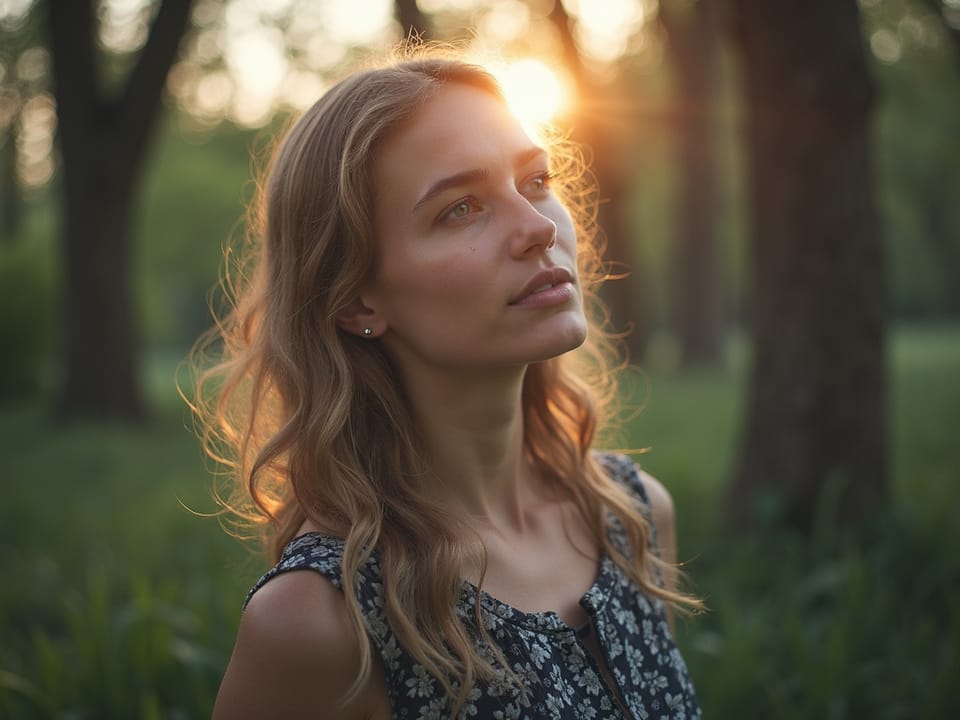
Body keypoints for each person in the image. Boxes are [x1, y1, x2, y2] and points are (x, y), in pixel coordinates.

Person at [192, 48, 701, 720]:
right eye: (460, 209)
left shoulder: (631, 518)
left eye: (537, 180)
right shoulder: (320, 622)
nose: (537, 227)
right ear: (357, 302)